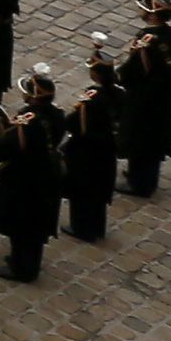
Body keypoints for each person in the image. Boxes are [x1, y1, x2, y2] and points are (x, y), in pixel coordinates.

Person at [0, 70, 66, 282]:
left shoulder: (27, 122)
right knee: (36, 225)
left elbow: (6, 148)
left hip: (26, 178)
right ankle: (26, 262)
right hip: (48, 173)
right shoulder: (57, 114)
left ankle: (22, 268)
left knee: (23, 224)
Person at [123, 0, 171, 198]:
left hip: (145, 97)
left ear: (153, 15)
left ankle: (140, 183)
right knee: (152, 138)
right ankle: (144, 177)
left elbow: (133, 70)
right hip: (163, 93)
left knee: (141, 138)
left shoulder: (146, 42)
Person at [64, 41, 121, 242]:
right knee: (99, 192)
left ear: (96, 75)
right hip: (107, 150)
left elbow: (74, 123)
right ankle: (97, 227)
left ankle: (82, 229)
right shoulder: (119, 93)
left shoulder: (92, 99)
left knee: (83, 192)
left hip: (87, 152)